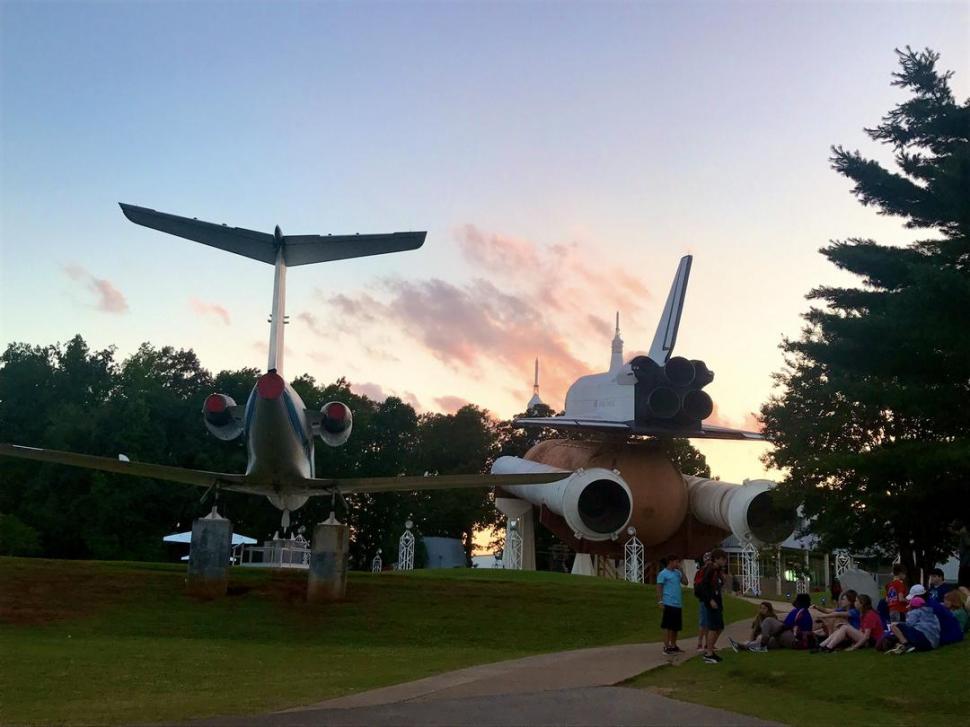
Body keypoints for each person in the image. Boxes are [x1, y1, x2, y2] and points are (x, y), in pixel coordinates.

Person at [817, 594, 884, 652]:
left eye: (856, 601)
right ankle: (822, 645)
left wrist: (853, 647)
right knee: (843, 627)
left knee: (845, 627)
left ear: (862, 604)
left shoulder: (870, 615)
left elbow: (867, 636)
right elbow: (861, 629)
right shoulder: (863, 614)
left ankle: (829, 646)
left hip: (871, 641)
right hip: (865, 639)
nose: (854, 603)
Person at [748, 594, 814, 651]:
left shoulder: (799, 612)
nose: (794, 601)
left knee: (768, 620)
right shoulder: (803, 612)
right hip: (794, 640)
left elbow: (786, 626)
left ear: (800, 602)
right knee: (769, 642)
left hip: (796, 640)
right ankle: (743, 646)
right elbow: (787, 624)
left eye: (796, 600)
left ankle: (762, 646)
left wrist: (775, 633)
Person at [696, 548, 728, 663]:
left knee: (719, 627)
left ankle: (710, 649)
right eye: (723, 559)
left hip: (717, 601)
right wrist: (709, 600)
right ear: (717, 559)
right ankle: (709, 653)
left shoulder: (718, 570)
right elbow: (705, 585)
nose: (725, 562)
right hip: (712, 602)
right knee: (713, 627)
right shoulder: (710, 569)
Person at [656, 554, 688, 654]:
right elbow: (659, 588)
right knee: (667, 626)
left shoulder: (677, 573)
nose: (677, 564)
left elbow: (685, 582)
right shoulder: (663, 574)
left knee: (675, 627)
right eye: (676, 562)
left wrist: (682, 571)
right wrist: (660, 601)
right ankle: (666, 646)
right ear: (671, 561)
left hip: (677, 603)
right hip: (668, 602)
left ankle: (673, 645)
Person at [694, 551, 712, 652]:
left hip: (711, 599)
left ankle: (707, 643)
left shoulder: (712, 571)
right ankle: (700, 643)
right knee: (703, 622)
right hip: (704, 599)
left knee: (709, 622)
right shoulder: (702, 571)